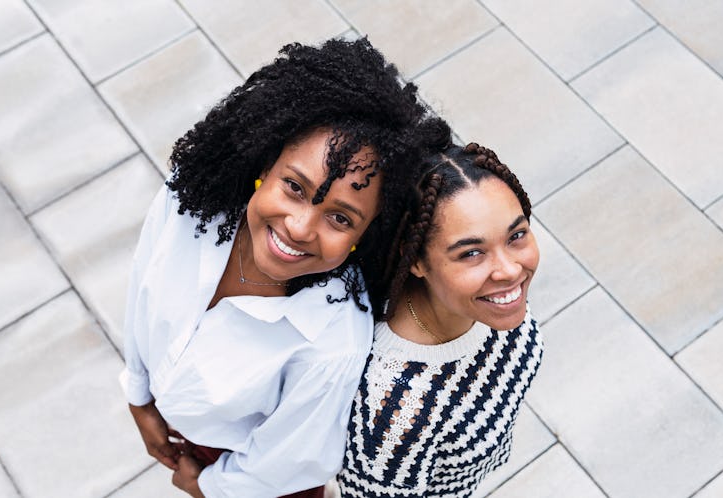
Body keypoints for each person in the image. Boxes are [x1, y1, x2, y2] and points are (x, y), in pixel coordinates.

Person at [120, 38, 436, 498]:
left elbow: (286, 463)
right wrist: (139, 395)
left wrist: (207, 487)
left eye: (340, 217)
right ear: (266, 164)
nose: (301, 227)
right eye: (294, 186)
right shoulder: (190, 204)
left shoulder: (331, 343)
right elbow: (143, 283)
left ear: (365, 235)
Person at [336, 141, 544, 497]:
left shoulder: (487, 304)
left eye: (516, 235)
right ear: (415, 260)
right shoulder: (396, 409)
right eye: (472, 253)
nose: (510, 270)